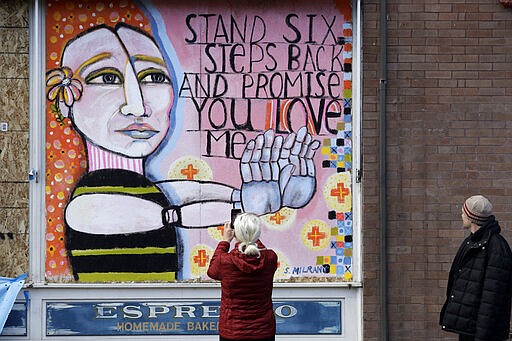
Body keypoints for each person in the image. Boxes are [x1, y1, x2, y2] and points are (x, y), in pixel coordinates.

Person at [440, 195, 512, 341]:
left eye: (463, 212)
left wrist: (481, 337)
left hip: (483, 334)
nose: (461, 215)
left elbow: (492, 299)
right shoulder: (470, 242)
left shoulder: (496, 248)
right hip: (468, 329)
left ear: (472, 217)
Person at [207, 213, 278, 341]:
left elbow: (212, 272)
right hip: (263, 330)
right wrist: (251, 237)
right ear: (257, 232)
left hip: (233, 330)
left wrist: (225, 241)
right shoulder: (270, 258)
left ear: (235, 233)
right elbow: (258, 251)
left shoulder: (225, 260)